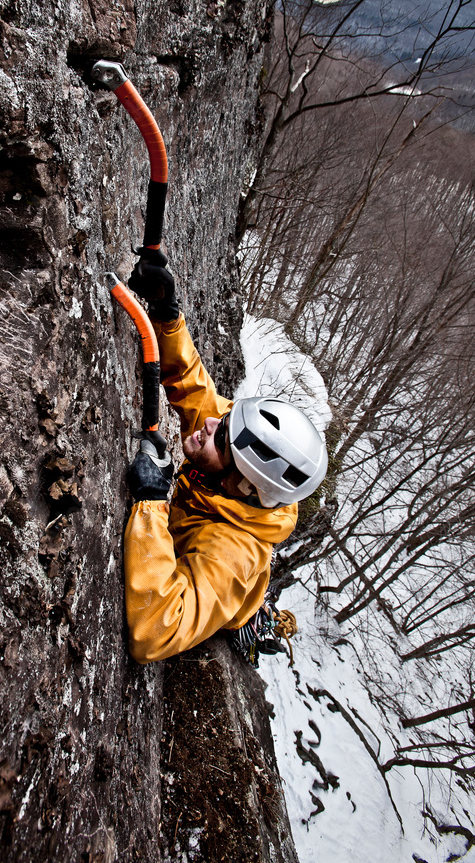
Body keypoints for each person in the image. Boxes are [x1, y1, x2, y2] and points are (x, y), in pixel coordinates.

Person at [124, 256, 328, 664]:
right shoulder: (236, 453)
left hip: (227, 592)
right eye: (228, 420)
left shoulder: (231, 555)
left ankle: (252, 620)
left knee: (234, 612)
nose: (213, 421)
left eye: (222, 436)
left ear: (241, 484)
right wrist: (167, 316)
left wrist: (149, 504)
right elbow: (196, 391)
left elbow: (155, 633)